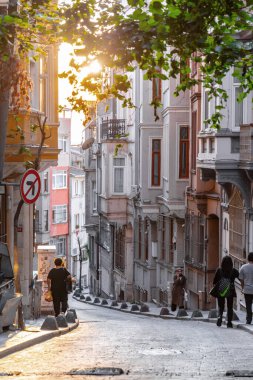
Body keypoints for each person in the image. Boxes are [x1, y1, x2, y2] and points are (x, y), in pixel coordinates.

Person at [213, 256, 239, 328]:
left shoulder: (219, 270)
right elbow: (240, 278)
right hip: (230, 290)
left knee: (221, 306)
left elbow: (214, 281)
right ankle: (229, 322)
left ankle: (220, 317)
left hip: (221, 289)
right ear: (231, 263)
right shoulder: (233, 271)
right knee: (230, 307)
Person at [239, 252, 253, 325]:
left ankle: (249, 320)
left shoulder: (243, 267)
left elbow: (241, 279)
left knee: (248, 305)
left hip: (247, 289)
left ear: (248, 259)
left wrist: (242, 288)